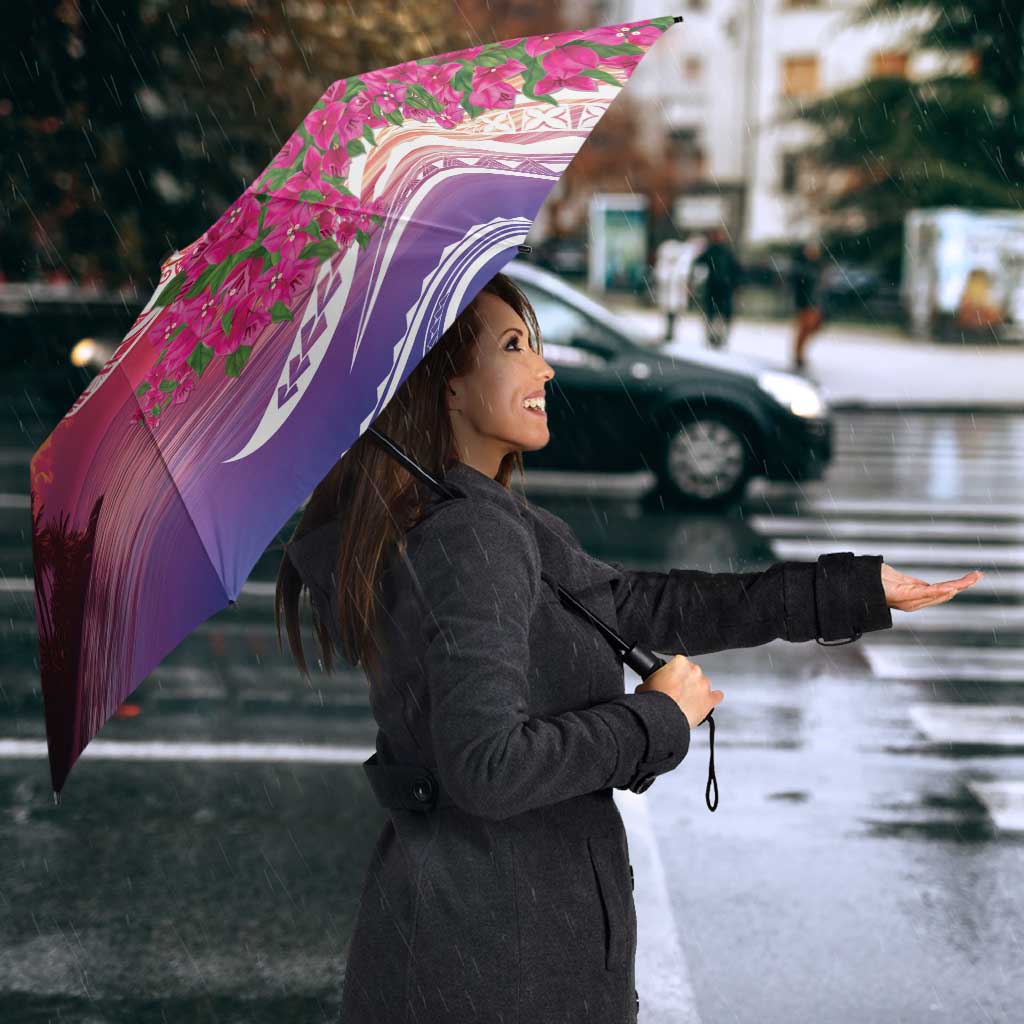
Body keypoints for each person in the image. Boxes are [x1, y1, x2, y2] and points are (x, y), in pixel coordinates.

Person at [276, 272, 981, 1024]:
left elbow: (644, 605)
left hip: (482, 943)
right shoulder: (469, 537)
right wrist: (655, 719)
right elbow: (487, 767)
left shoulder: (480, 520)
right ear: (446, 387)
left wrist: (849, 590)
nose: (544, 368)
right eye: (515, 346)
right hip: (496, 962)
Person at [692, 226, 742, 349]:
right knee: (713, 314)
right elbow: (698, 264)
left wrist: (735, 284)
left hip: (723, 288)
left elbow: (736, 270)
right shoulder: (712, 251)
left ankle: (719, 337)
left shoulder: (725, 252)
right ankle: (713, 337)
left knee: (720, 315)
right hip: (715, 288)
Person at [790, 239, 826, 370]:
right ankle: (798, 355)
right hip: (805, 303)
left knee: (812, 328)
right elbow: (799, 286)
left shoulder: (817, 266)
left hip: (814, 303)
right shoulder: (802, 267)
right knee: (804, 329)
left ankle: (799, 354)